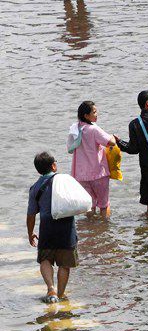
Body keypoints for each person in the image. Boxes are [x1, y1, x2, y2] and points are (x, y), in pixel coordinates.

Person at [27, 152, 78, 303]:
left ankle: (51, 289)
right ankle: (61, 295)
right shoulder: (65, 181)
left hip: (47, 229)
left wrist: (30, 233)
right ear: (54, 166)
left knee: (45, 259)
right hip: (66, 228)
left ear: (38, 170)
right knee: (64, 264)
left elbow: (31, 215)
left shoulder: (35, 187)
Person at [69, 101, 119, 217]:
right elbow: (111, 142)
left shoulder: (75, 129)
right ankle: (103, 229)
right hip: (98, 173)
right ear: (86, 116)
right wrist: (112, 136)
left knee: (89, 205)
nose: (97, 114)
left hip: (80, 174)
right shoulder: (93, 129)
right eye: (94, 112)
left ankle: (91, 229)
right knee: (104, 204)